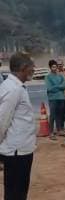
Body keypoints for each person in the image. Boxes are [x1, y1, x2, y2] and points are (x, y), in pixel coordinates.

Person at [0, 52, 36, 200]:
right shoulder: (14, 89)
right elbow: (2, 120)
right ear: (23, 67)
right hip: (17, 151)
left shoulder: (14, 86)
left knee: (17, 191)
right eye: (31, 66)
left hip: (20, 149)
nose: (34, 69)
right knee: (16, 193)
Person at [45, 60, 65, 140]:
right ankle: (51, 132)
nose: (55, 68)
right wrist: (59, 87)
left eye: (56, 66)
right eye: (53, 67)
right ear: (50, 67)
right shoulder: (48, 77)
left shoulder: (60, 76)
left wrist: (56, 86)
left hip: (61, 97)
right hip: (53, 98)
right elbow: (49, 88)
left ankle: (59, 130)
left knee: (60, 115)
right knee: (52, 115)